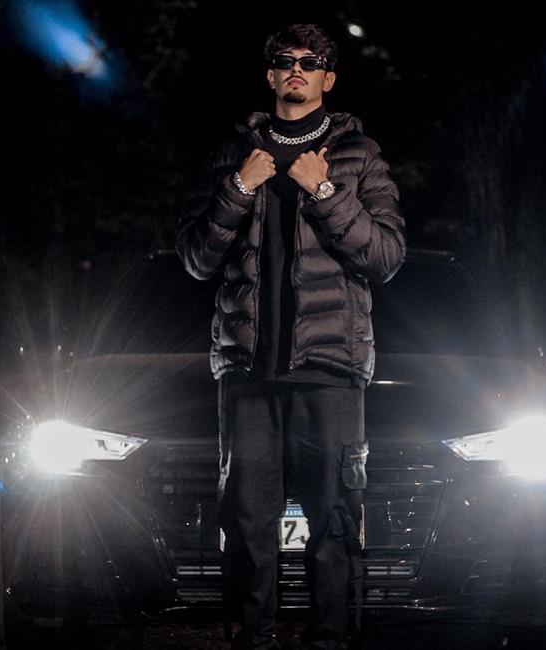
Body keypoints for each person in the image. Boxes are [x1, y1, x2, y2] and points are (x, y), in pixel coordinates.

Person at [176, 23, 405, 650]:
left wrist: (324, 190)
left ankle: (329, 641)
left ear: (328, 76)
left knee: (333, 521)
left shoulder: (359, 155)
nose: (297, 68)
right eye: (285, 60)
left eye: (311, 60)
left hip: (330, 369)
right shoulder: (233, 156)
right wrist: (239, 188)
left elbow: (385, 256)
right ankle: (253, 641)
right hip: (248, 372)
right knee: (247, 524)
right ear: (271, 75)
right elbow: (195, 259)